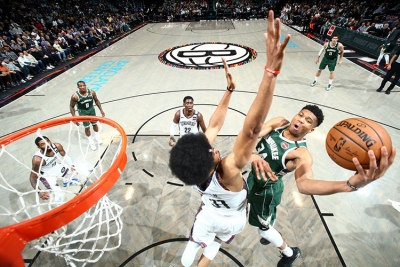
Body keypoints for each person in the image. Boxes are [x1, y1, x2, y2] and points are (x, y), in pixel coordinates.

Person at [169, 10, 290, 267]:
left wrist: (229, 90)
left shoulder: (193, 171)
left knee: (194, 242)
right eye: (211, 152)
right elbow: (250, 131)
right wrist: (270, 73)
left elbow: (214, 124)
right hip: (232, 218)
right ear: (212, 164)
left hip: (208, 213)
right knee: (214, 244)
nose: (213, 149)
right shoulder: (227, 170)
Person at [247, 105, 396, 267]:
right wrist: (254, 154)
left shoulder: (301, 153)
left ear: (311, 130)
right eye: (300, 115)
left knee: (263, 229)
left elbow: (305, 184)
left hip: (266, 191)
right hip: (253, 178)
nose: (301, 120)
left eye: (307, 121)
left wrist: (347, 185)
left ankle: (289, 252)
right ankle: (269, 224)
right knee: (247, 203)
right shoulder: (279, 122)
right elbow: (252, 136)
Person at [29, 136, 75, 201]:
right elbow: (32, 177)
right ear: (39, 147)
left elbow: (64, 156)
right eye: (43, 144)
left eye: (47, 141)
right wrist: (39, 191)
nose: (47, 145)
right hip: (47, 175)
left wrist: (72, 165)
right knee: (60, 195)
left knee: (70, 170)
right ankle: (59, 206)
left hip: (55, 167)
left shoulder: (57, 146)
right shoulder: (38, 160)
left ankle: (66, 182)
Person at [70, 81, 105, 151]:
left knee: (95, 124)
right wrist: (74, 117)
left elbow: (96, 100)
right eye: (80, 86)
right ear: (78, 87)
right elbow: (71, 106)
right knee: (87, 127)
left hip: (91, 109)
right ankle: (91, 142)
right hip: (83, 111)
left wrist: (101, 110)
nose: (82, 87)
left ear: (85, 85)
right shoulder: (75, 96)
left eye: (83, 85)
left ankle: (97, 137)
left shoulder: (92, 92)